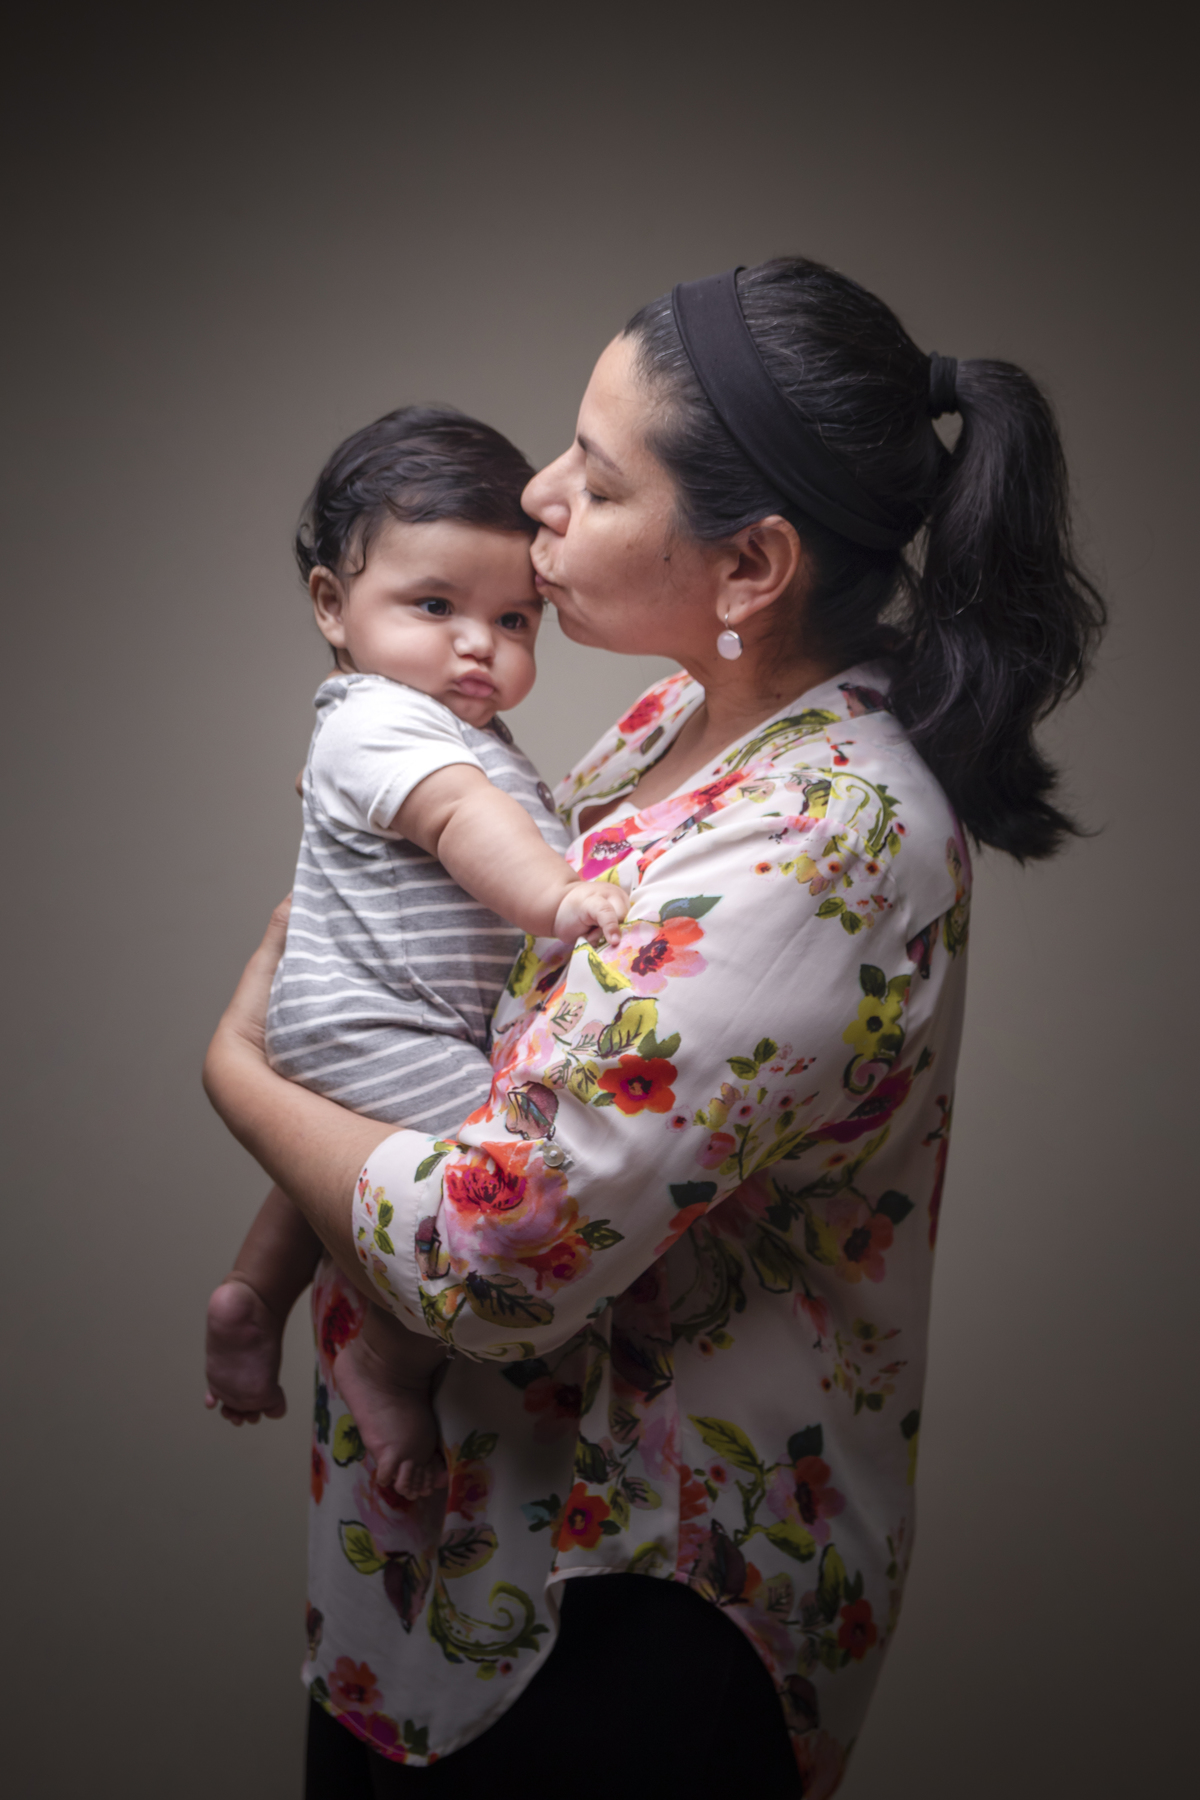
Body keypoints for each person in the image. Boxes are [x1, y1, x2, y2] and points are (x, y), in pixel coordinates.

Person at [203, 257, 1103, 1796]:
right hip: (443, 1550)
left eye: (598, 478)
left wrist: (236, 1070)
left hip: (619, 1596)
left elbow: (496, 1255)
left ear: (751, 566)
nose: (537, 495)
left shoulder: (822, 842)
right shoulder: (679, 720)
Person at [204, 408, 627, 1499]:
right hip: (378, 1018)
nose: (478, 642)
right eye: (435, 606)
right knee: (471, 1182)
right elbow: (460, 820)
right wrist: (557, 898)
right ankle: (387, 1358)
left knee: (345, 1160)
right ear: (331, 606)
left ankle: (255, 1289)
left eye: (513, 619)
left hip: (372, 1018)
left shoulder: (437, 727)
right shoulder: (379, 720)